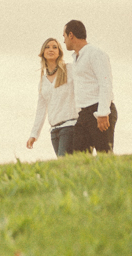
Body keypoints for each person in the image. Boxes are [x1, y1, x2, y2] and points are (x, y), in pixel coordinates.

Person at [62, 20, 117, 154]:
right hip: (83, 115)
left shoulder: (95, 53)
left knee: (104, 157)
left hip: (99, 111)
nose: (63, 41)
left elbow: (105, 83)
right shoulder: (76, 58)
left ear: (71, 35)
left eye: (63, 36)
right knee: (79, 158)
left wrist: (103, 113)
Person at [27, 37, 78, 157]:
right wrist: (34, 134)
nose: (51, 49)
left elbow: (82, 91)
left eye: (55, 47)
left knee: (64, 164)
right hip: (54, 131)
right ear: (43, 53)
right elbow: (41, 110)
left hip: (70, 126)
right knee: (65, 167)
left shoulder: (69, 70)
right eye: (47, 47)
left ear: (59, 52)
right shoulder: (43, 82)